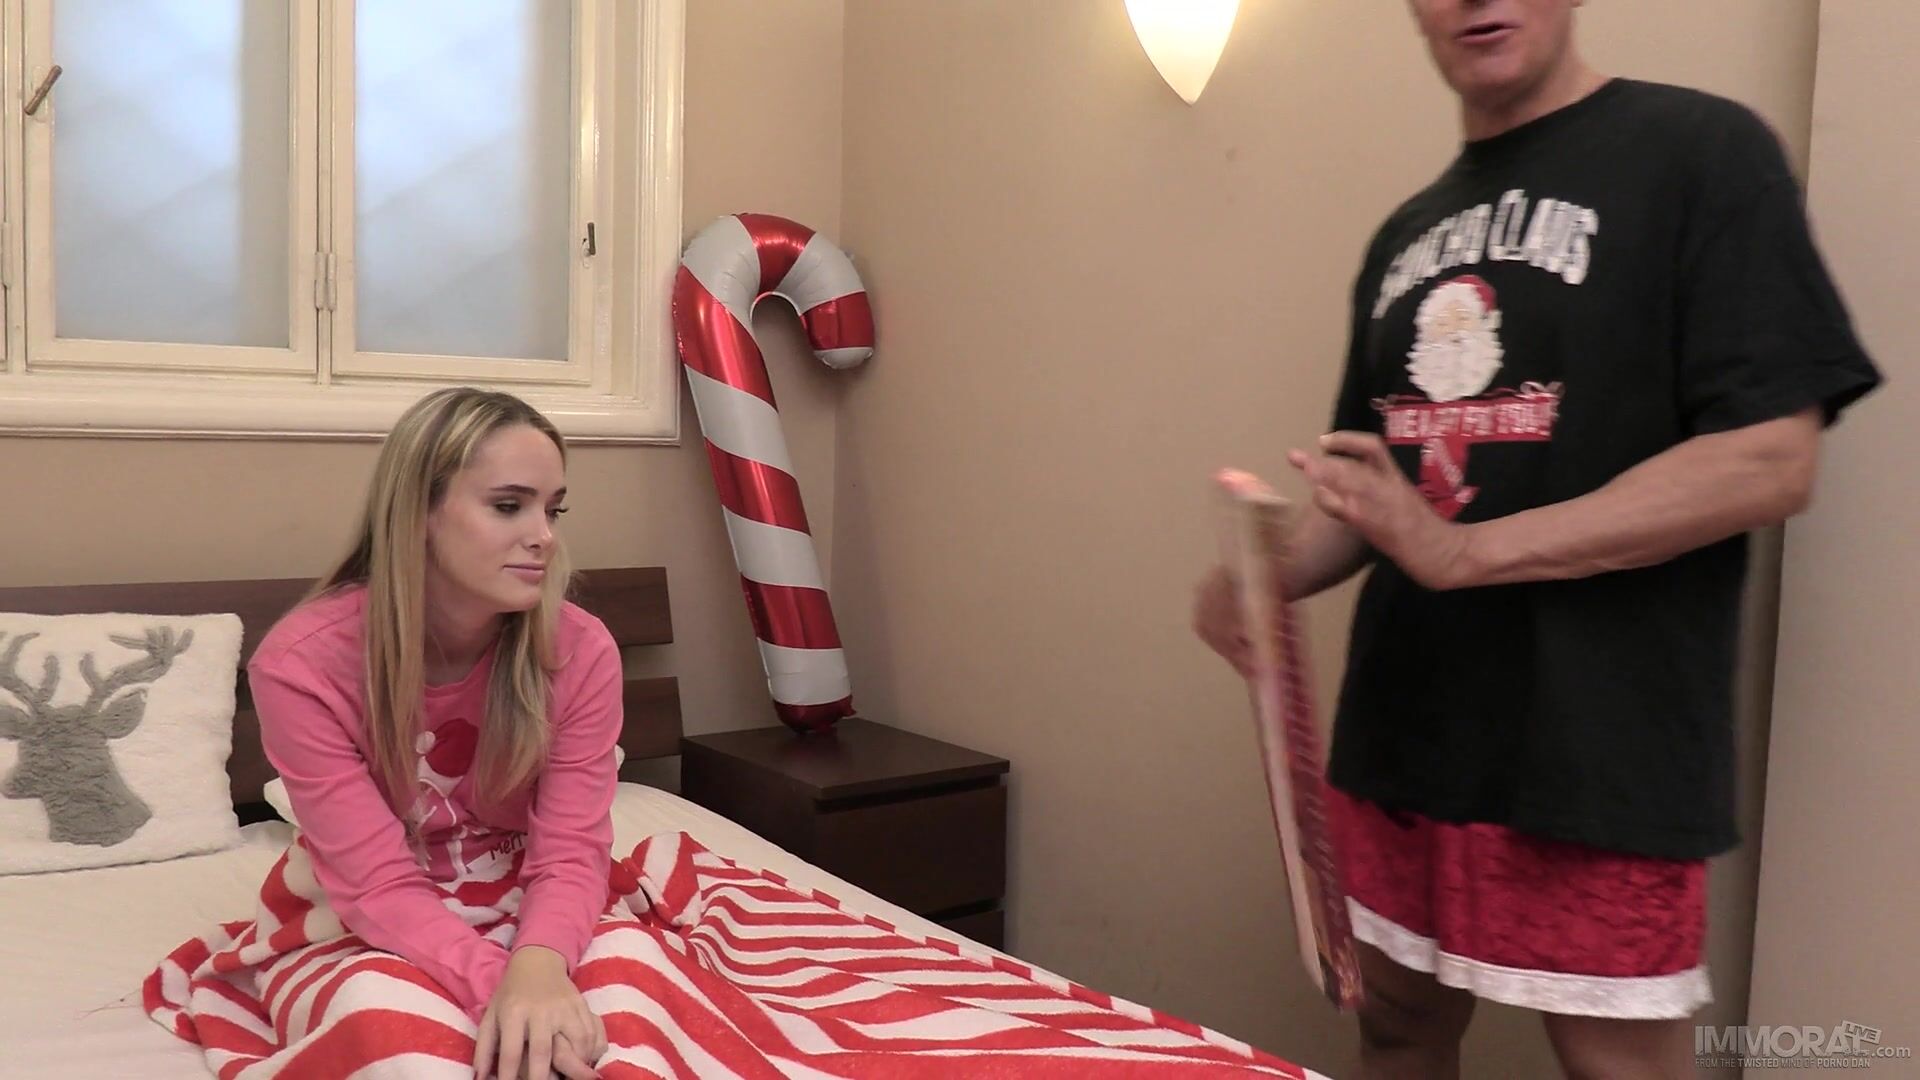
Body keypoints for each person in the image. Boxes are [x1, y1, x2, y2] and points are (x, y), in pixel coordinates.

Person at [1194, 2, 1882, 1077]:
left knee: (1615, 1064)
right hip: (1406, 733)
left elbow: (1767, 459)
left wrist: (1466, 554)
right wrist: (1263, 574)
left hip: (1600, 744)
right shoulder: (1405, 233)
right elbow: (1381, 486)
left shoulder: (1702, 151)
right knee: (1396, 1028)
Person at [250, 387, 621, 1080]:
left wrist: (540, 968)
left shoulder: (580, 648)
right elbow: (375, 882)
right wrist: (502, 989)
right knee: (398, 1042)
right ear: (419, 511)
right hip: (367, 912)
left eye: (553, 509)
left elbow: (571, 852)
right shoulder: (301, 665)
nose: (544, 535)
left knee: (619, 1026)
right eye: (508, 506)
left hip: (534, 895)